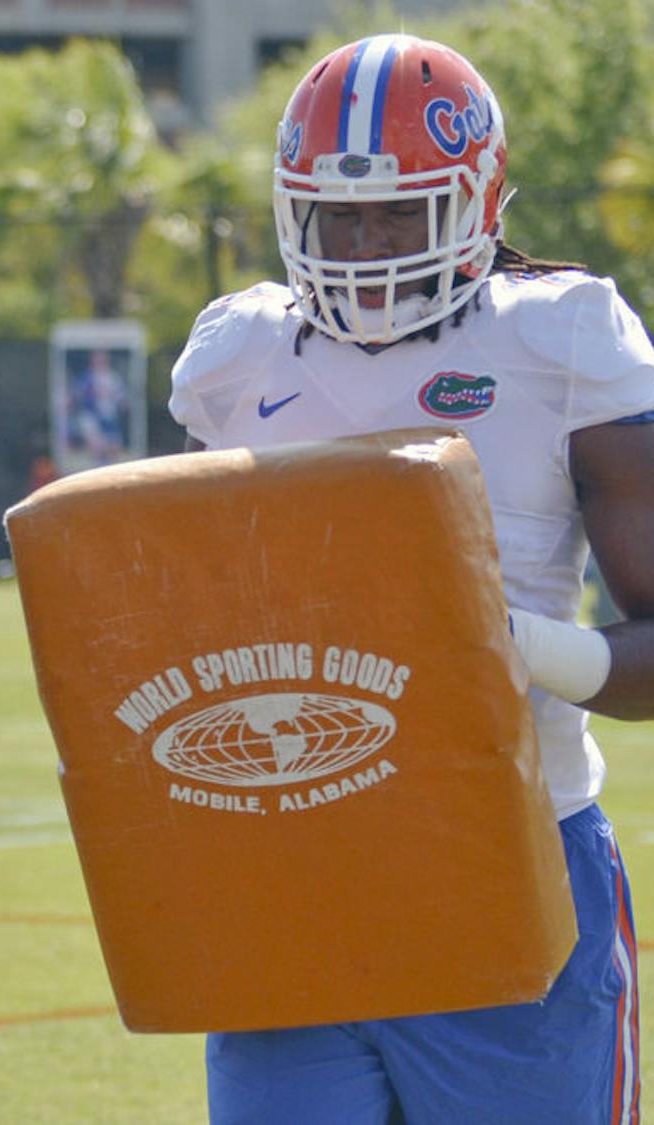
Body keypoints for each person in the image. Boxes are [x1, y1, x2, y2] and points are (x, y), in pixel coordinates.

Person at [169, 34, 654, 1123]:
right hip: (292, 863)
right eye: (339, 215)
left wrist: (517, 646)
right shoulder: (235, 357)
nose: (365, 241)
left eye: (400, 211)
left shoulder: (563, 337)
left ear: (476, 203)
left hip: (510, 860)